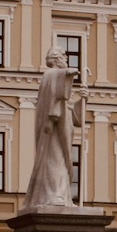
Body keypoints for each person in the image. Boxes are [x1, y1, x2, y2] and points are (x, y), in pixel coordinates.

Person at [21, 48, 86, 211]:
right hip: (53, 127)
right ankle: (53, 195)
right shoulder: (50, 75)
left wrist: (83, 98)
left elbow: (76, 117)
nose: (66, 58)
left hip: (64, 127)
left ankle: (63, 195)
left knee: (62, 162)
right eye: (63, 56)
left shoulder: (59, 82)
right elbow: (56, 93)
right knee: (54, 159)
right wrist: (67, 73)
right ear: (56, 59)